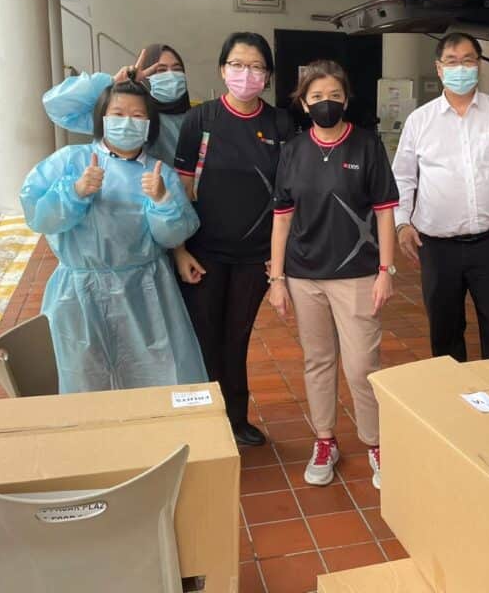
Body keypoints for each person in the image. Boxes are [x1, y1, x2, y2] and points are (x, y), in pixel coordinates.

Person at [20, 80, 207, 393]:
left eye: (138, 115)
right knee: (84, 375)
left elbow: (172, 234)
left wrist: (162, 200)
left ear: (150, 124)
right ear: (101, 118)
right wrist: (76, 192)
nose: (128, 122)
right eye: (118, 113)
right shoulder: (70, 161)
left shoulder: (159, 173)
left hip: (145, 288)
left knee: (156, 373)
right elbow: (39, 216)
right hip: (80, 291)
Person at [268, 60, 398, 490]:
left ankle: (376, 443)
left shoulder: (366, 146)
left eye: (335, 96)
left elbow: (384, 213)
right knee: (318, 362)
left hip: (357, 275)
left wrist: (385, 270)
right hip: (305, 277)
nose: (327, 104)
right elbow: (282, 219)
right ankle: (325, 440)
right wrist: (278, 279)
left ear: (347, 99)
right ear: (303, 103)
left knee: (362, 366)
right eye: (318, 97)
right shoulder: (293, 150)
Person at [173, 32, 293, 447]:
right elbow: (181, 191)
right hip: (203, 253)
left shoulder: (280, 124)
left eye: (256, 66)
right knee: (204, 335)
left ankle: (236, 417)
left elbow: (292, 197)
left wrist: (279, 263)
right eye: (238, 65)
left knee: (236, 336)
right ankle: (206, 420)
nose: (247, 74)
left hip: (255, 257)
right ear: (223, 70)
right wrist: (180, 250)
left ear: (268, 75)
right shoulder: (200, 121)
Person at [392, 32, 489, 362]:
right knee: (445, 333)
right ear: (439, 68)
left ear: (479, 65)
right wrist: (402, 224)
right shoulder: (420, 121)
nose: (461, 68)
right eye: (452, 61)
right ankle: (452, 405)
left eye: (468, 60)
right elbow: (403, 177)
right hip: (437, 246)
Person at [43, 43, 191, 164]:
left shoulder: (196, 118)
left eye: (177, 69)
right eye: (161, 70)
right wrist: (113, 81)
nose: (171, 75)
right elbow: (57, 106)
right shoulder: (120, 113)